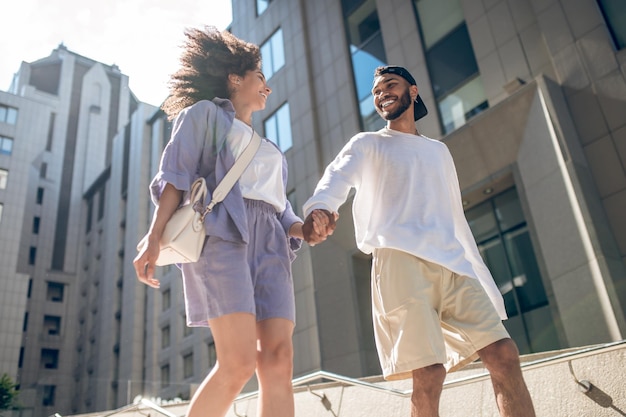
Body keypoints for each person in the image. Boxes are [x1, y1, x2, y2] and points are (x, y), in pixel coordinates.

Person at [302, 65, 536, 417]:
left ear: (413, 91)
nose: (382, 94)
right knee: (429, 373)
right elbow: (337, 177)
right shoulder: (368, 143)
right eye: (377, 91)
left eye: (390, 86)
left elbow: (455, 217)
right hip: (400, 262)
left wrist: (478, 273)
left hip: (452, 263)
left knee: (504, 355)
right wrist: (320, 209)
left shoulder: (438, 151)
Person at [133, 26, 325, 417]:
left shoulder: (271, 149)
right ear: (235, 79)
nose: (267, 88)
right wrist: (154, 238)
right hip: (222, 235)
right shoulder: (203, 115)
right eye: (261, 79)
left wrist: (305, 228)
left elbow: (280, 209)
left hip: (271, 242)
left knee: (278, 361)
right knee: (238, 363)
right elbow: (176, 176)